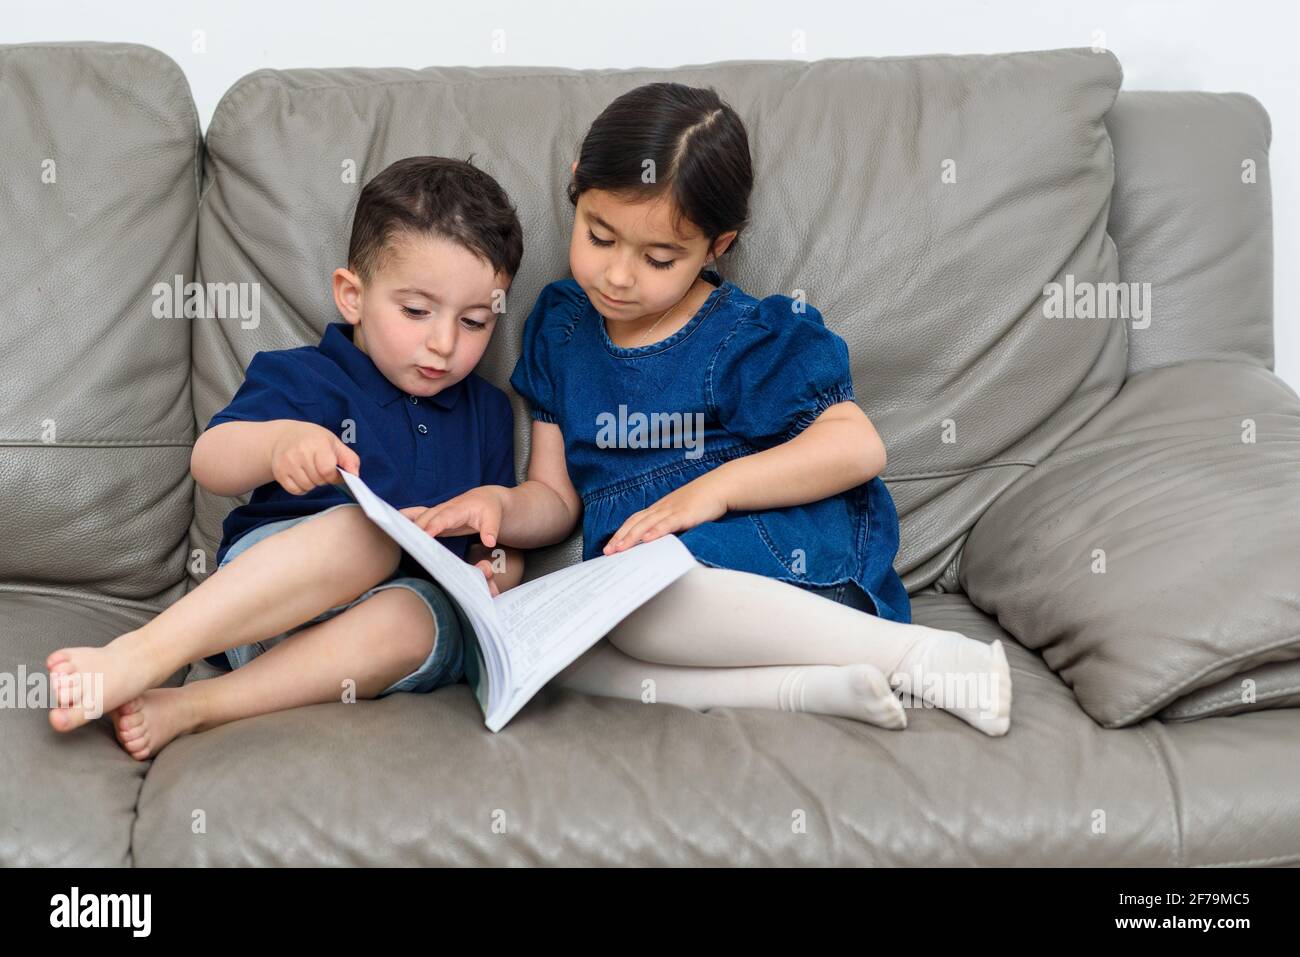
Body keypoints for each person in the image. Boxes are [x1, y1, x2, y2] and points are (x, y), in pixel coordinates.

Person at [408, 83, 1012, 735]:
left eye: (658, 258)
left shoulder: (744, 337)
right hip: (642, 578)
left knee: (641, 600)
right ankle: (806, 688)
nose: (617, 275)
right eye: (600, 236)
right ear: (578, 188)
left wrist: (711, 493)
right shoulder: (558, 327)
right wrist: (501, 506)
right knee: (543, 649)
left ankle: (922, 657)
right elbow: (555, 498)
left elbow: (856, 446)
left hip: (774, 554)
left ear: (716, 245)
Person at [46, 155, 526, 757]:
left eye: (476, 322)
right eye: (415, 311)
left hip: (376, 634)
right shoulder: (307, 376)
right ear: (352, 296)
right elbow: (211, 459)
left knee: (420, 616)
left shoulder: (485, 412)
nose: (445, 343)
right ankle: (141, 653)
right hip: (270, 601)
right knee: (368, 530)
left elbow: (498, 549)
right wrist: (277, 446)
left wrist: (494, 576)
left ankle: (195, 707)